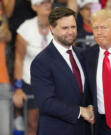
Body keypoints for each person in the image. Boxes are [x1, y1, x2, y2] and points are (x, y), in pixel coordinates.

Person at [30, 7, 94, 135]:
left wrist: (92, 107)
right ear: (52, 29)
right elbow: (46, 102)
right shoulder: (41, 61)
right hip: (56, 130)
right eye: (65, 28)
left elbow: (83, 93)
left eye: (73, 27)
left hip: (83, 130)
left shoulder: (81, 55)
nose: (70, 32)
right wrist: (81, 111)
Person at [13, 0, 53, 134]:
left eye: (49, 2)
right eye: (43, 3)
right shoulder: (26, 28)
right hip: (31, 81)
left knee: (55, 122)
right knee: (32, 123)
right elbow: (19, 59)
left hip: (54, 81)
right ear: (34, 6)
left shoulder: (59, 24)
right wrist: (18, 88)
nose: (47, 5)